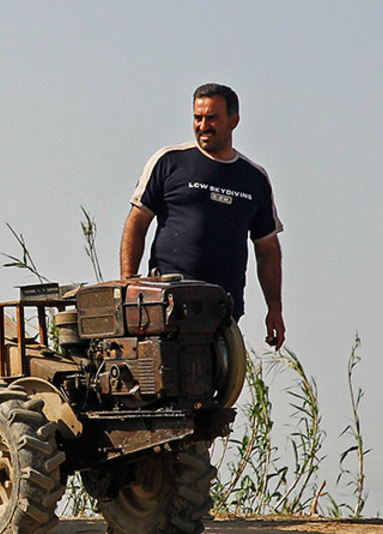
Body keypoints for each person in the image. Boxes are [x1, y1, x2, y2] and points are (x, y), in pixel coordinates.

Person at [119, 83, 285, 349]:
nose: (203, 125)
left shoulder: (254, 179)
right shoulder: (170, 161)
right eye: (198, 118)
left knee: (215, 381)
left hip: (223, 308)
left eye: (212, 118)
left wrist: (274, 308)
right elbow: (137, 223)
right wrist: (128, 284)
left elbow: (267, 248)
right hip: (166, 302)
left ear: (233, 121)